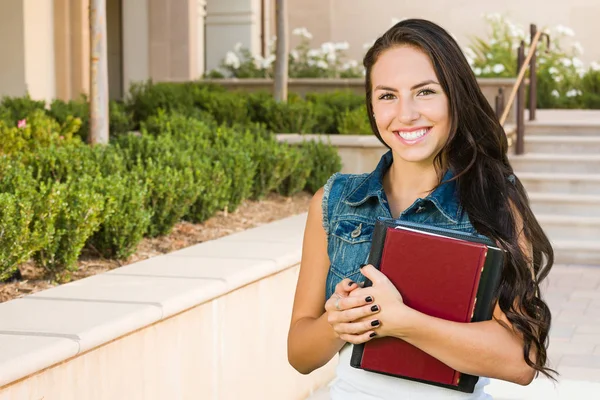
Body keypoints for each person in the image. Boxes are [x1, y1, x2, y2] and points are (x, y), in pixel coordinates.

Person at [287, 19, 555, 399]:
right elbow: (299, 355)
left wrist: (404, 322)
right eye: (387, 95)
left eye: (425, 92)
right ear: (372, 107)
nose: (406, 114)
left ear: (454, 97)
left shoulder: (493, 202)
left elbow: (521, 362)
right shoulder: (333, 203)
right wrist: (337, 324)